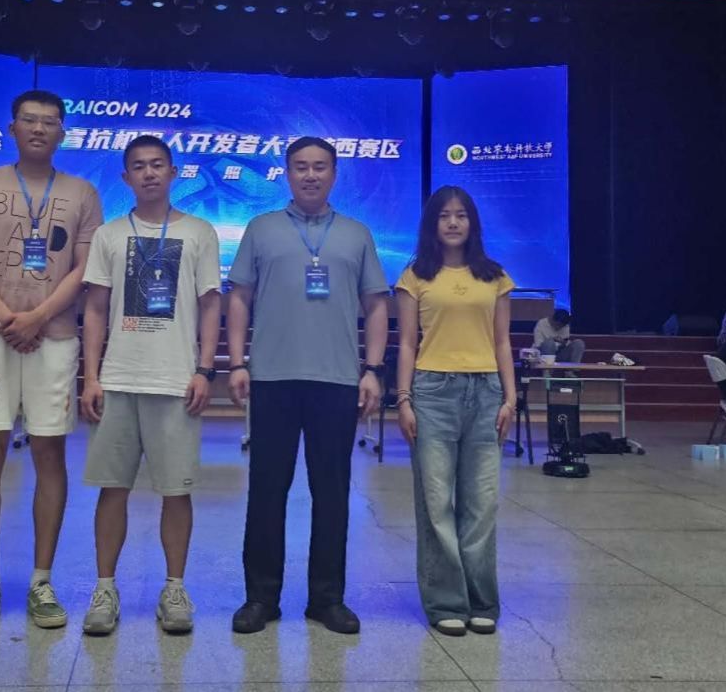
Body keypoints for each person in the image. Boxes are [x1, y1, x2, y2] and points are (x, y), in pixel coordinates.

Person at [0, 89, 103, 633]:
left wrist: (36, 317)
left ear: (63, 132)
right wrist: (4, 318)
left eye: (50, 122)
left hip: (54, 337)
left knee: (49, 454)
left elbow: (83, 269)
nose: (39, 128)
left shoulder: (82, 192)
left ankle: (42, 581)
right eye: (29, 120)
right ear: (12, 128)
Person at [227, 136, 389, 636]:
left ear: (334, 174)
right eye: (301, 166)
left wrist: (373, 369)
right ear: (287, 172)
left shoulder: (356, 234)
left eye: (320, 167)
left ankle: (327, 599)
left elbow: (376, 304)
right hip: (272, 377)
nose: (311, 175)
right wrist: (237, 362)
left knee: (332, 494)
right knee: (266, 491)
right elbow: (240, 297)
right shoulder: (261, 228)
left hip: (337, 380)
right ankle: (261, 598)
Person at [78, 136, 221, 636]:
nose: (149, 173)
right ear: (126, 177)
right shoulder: (109, 235)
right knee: (111, 488)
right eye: (138, 166)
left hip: (176, 381)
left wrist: (205, 369)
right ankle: (104, 588)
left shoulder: (199, 232)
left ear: (173, 171)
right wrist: (91, 376)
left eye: (158, 164)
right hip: (118, 379)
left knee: (176, 492)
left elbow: (210, 304)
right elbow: (96, 309)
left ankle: (175, 588)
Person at [394, 186, 517, 637]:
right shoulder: (415, 276)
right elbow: (407, 344)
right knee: (436, 503)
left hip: (486, 392)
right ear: (432, 223)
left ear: (472, 222)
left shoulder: (495, 277)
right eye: (444, 215)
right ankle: (446, 601)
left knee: (481, 503)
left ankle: (482, 601)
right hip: (432, 392)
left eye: (461, 215)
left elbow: (502, 341)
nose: (452, 222)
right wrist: (403, 398)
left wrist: (510, 398)